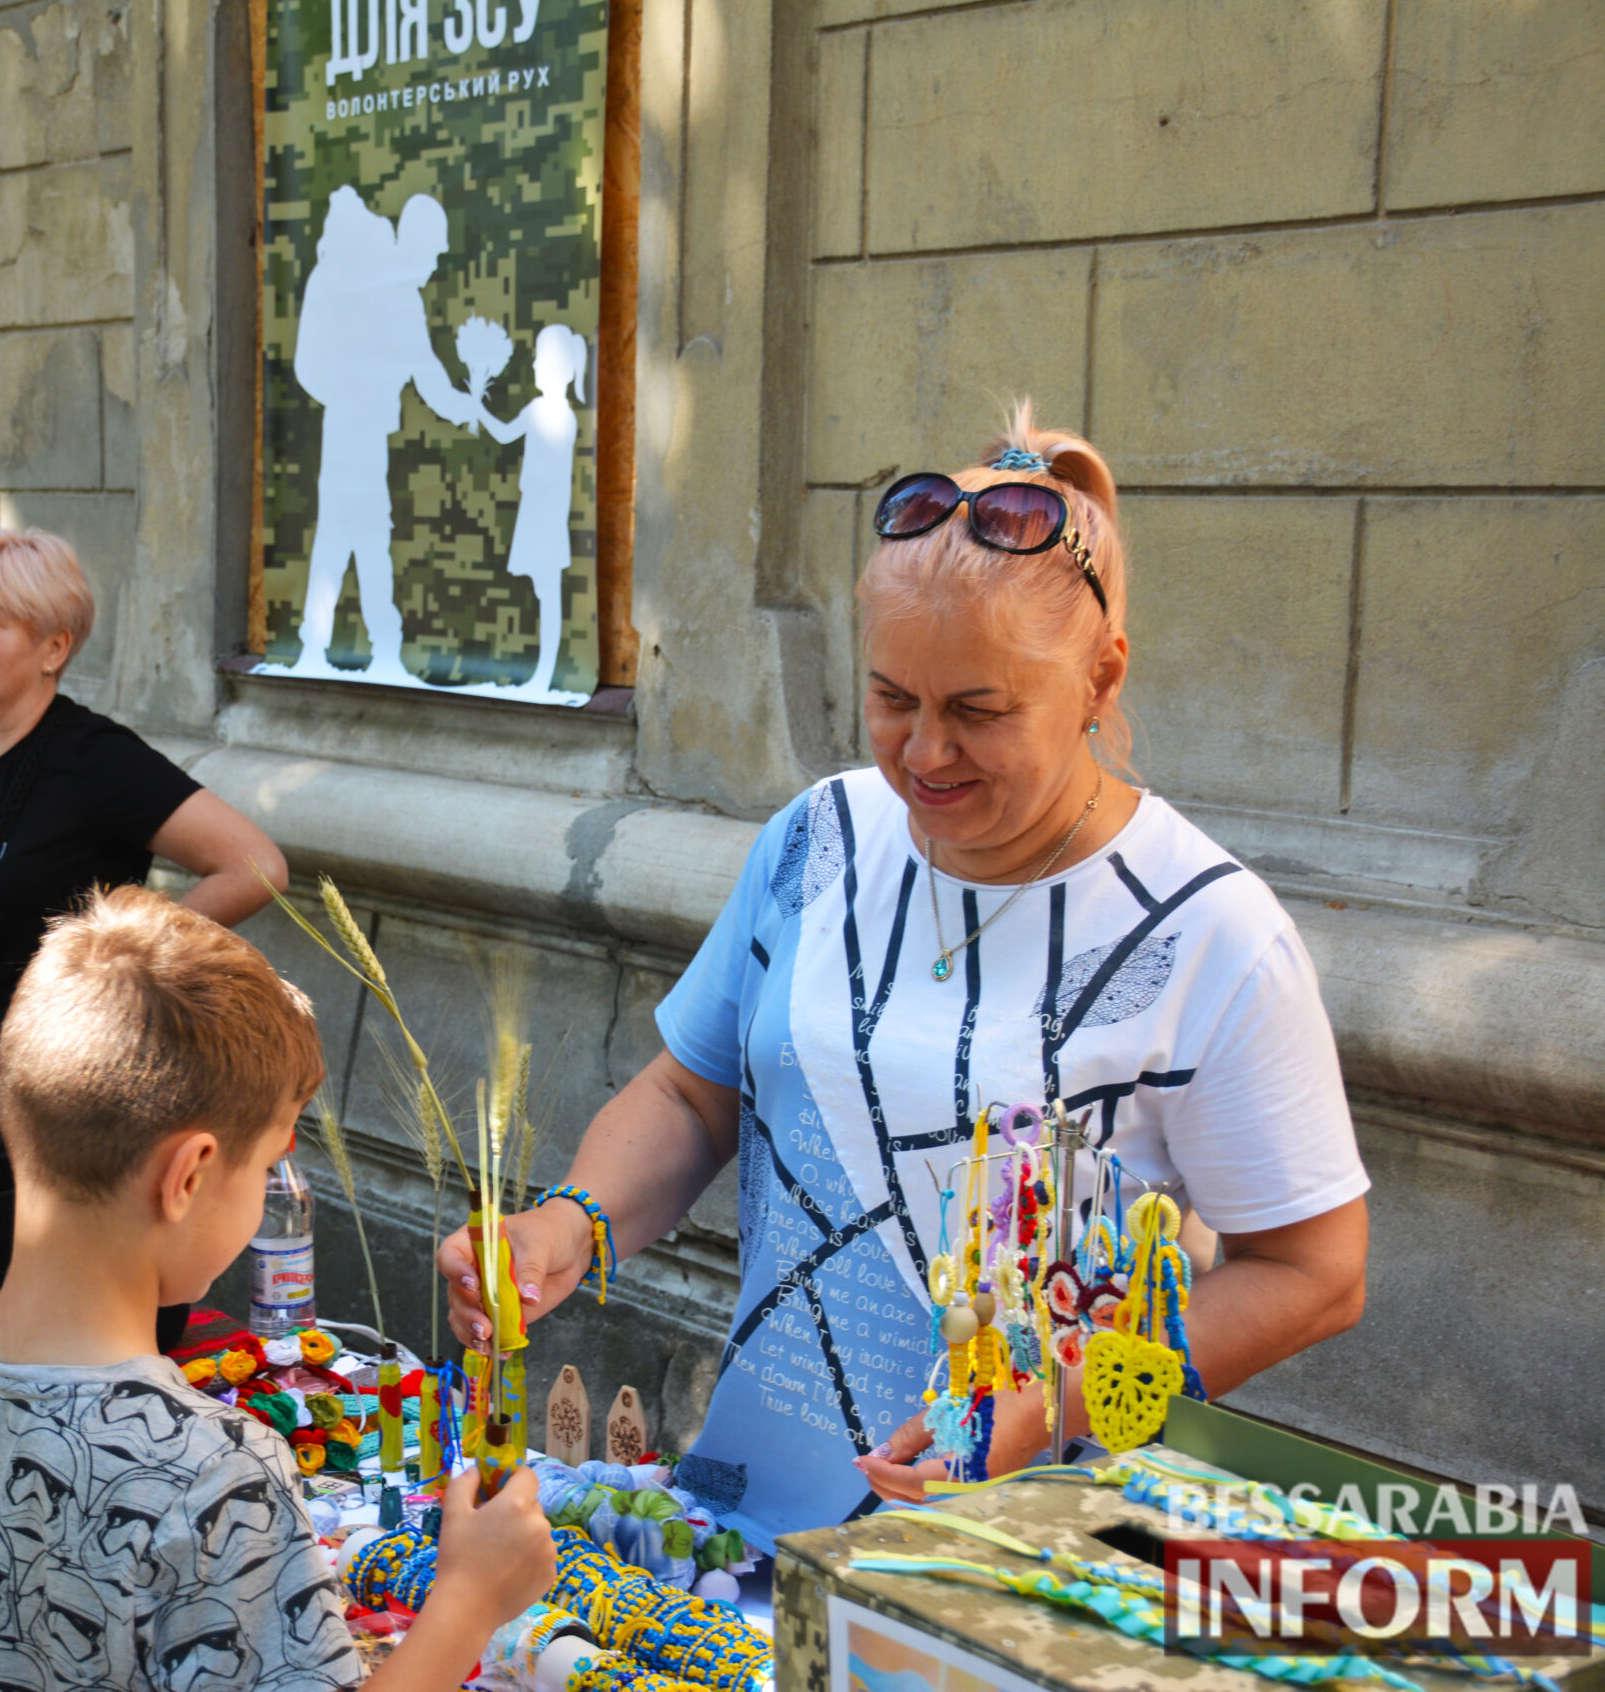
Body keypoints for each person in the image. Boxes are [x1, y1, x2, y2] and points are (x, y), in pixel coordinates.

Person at [439, 405, 1370, 1550]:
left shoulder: (1210, 933)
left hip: (1024, 1562)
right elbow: (693, 1097)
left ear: (1098, 677)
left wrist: (1046, 1404)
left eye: (979, 712)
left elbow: (1314, 1274)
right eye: (891, 700)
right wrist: (565, 1226)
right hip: (744, 1531)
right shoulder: (816, 838)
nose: (924, 754)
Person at [0, 887, 557, 1692]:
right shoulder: (216, 1475)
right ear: (189, 1174)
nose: (268, 1189)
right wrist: (470, 1603)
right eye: (266, 1164)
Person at [0, 526, 287, 1074]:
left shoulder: (94, 759)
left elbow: (256, 867)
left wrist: (127, 969)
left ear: (54, 647)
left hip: (54, 1082)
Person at [286, 186, 483, 679]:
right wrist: (463, 407)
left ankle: (347, 649)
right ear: (418, 244)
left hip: (358, 429)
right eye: (435, 253)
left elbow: (428, 374)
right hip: (355, 428)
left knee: (354, 536)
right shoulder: (389, 293)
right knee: (355, 537)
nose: (435, 266)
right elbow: (428, 375)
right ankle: (372, 652)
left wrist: (465, 407)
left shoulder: (387, 290)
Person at [473, 323, 585, 694]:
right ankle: (542, 672)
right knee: (545, 592)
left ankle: (544, 674)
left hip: (543, 512)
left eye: (540, 360)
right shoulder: (559, 412)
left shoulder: (545, 411)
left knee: (548, 593)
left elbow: (506, 435)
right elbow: (509, 436)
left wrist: (477, 406)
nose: (534, 367)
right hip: (543, 510)